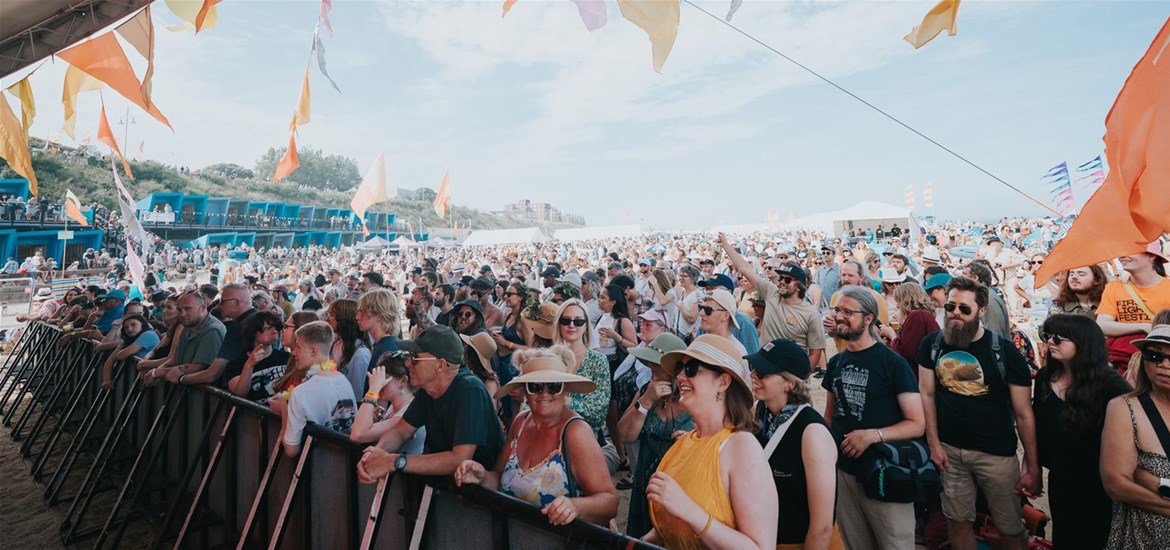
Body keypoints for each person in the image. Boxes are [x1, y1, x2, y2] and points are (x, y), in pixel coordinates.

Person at [917, 277, 1039, 550]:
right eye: (950, 307)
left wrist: (1032, 466)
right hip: (950, 453)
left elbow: (1023, 413)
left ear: (982, 311)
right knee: (957, 521)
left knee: (1009, 526)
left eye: (964, 308)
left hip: (995, 454)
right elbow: (926, 394)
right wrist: (934, 444)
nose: (955, 314)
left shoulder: (1005, 352)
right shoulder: (932, 345)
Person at [455, 346, 619, 527]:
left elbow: (610, 503)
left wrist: (575, 506)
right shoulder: (520, 423)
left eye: (554, 386)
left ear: (565, 390)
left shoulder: (576, 432)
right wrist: (483, 477)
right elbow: (499, 478)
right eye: (535, 386)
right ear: (524, 391)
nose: (544, 394)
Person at [642, 334, 777, 549]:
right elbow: (671, 530)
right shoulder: (684, 443)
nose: (681, 377)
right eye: (679, 369)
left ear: (723, 382)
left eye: (691, 369)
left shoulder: (741, 448)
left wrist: (689, 512)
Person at [822, 286, 924, 550]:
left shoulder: (893, 364)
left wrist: (872, 435)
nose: (839, 316)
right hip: (845, 473)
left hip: (885, 472)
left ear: (868, 319)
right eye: (837, 310)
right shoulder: (835, 364)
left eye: (848, 311)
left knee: (895, 545)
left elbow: (916, 423)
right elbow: (830, 416)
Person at [358, 325, 505, 481]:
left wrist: (393, 461)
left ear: (440, 365)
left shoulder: (470, 389)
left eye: (414, 357)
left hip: (477, 500)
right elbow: (400, 432)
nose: (408, 363)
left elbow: (459, 458)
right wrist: (374, 456)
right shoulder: (428, 390)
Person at [1032, 314, 1130, 549]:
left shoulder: (1112, 388)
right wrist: (1032, 465)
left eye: (1058, 337)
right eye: (1047, 336)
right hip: (1060, 477)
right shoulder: (1046, 377)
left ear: (1083, 342)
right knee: (1065, 537)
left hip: (1098, 484)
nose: (1050, 342)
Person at [747, 339, 843, 549]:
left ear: (790, 383)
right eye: (753, 368)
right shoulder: (758, 412)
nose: (753, 375)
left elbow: (822, 527)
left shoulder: (812, 433)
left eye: (763, 372)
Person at [1101, 324, 1170, 549]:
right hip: (1144, 537)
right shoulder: (1125, 408)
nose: (1164, 365)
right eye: (1154, 356)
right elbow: (1117, 484)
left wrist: (1153, 480)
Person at [617, 332, 691, 537]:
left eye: (656, 365)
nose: (651, 370)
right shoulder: (646, 390)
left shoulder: (694, 398)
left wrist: (691, 441)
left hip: (679, 487)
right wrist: (646, 402)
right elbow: (625, 434)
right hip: (645, 481)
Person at [719, 233, 823, 362]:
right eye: (780, 278)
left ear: (799, 287)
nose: (782, 282)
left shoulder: (811, 313)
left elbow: (815, 351)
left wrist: (802, 375)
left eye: (787, 279)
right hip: (765, 365)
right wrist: (725, 245)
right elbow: (745, 268)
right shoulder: (772, 293)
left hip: (790, 371)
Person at [268, 321, 356, 456]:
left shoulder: (300, 393)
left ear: (314, 350)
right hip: (343, 465)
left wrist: (283, 409)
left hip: (316, 468)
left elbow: (291, 450)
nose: (294, 353)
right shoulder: (344, 381)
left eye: (298, 347)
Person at [1097, 241, 1170, 372]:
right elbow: (1103, 325)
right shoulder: (1113, 288)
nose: (1122, 256)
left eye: (1129, 250)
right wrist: (1143, 326)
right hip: (1122, 365)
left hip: (1160, 364)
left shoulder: (1168, 288)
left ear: (1151, 256)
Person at [349, 351, 425, 456]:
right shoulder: (394, 406)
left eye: (384, 377)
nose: (379, 382)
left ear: (403, 381)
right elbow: (354, 429)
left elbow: (357, 435)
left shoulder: (406, 413)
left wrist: (373, 390)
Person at [151, 292, 226, 385]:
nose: (182, 314)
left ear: (203, 308)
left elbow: (198, 366)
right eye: (179, 310)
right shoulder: (187, 327)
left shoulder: (212, 330)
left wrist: (157, 373)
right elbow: (176, 359)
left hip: (200, 394)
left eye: (188, 309)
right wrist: (158, 370)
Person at [225, 311, 290, 401]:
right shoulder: (236, 365)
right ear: (253, 333)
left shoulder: (287, 358)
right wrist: (249, 365)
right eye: (268, 328)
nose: (274, 331)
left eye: (276, 328)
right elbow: (239, 394)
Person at [879, 282, 940, 369]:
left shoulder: (917, 315)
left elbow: (905, 351)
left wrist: (891, 334)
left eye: (899, 301)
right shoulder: (923, 315)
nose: (897, 305)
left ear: (906, 300)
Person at [324, 299, 372, 400]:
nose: (327, 318)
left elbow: (357, 394)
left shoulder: (361, 353)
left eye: (331, 314)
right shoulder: (335, 343)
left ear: (344, 319)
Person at [98, 314, 159, 389]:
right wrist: (106, 379)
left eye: (133, 325)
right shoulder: (130, 339)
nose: (129, 329)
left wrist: (120, 348)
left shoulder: (148, 334)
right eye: (126, 327)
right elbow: (111, 359)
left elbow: (121, 355)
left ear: (142, 324)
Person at [358, 289, 401, 377]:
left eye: (362, 312)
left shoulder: (387, 350)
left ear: (379, 316)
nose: (357, 317)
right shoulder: (384, 344)